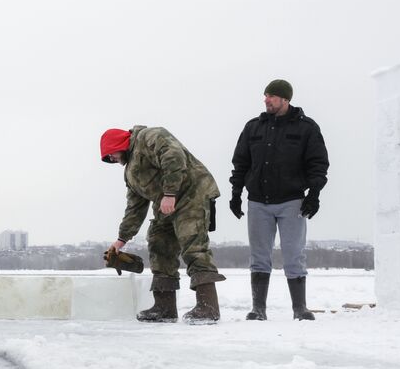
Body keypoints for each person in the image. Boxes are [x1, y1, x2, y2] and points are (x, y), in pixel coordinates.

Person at [101, 125, 226, 323]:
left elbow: (174, 157)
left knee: (193, 244)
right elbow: (135, 207)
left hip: (191, 192)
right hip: (167, 203)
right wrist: (121, 239)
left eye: (111, 155)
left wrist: (169, 193)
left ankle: (208, 307)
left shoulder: (149, 136)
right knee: (159, 243)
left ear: (118, 144)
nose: (112, 160)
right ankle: (164, 307)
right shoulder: (131, 173)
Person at [228, 79, 330, 320]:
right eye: (265, 95)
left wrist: (314, 195)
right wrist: (236, 194)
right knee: (259, 256)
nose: (267, 100)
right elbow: (240, 163)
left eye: (272, 96)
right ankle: (258, 309)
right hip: (257, 203)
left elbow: (318, 165)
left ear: (286, 99)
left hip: (292, 201)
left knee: (294, 254)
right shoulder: (253, 127)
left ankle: (299, 309)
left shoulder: (307, 128)